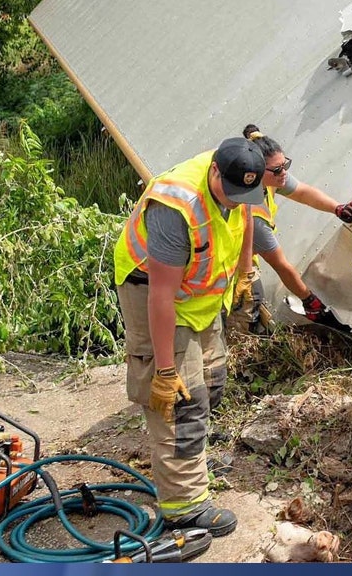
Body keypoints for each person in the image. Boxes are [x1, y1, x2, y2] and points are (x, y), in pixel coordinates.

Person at [113, 136, 268, 538]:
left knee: (212, 381)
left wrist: (246, 271)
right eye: (230, 192)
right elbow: (161, 297)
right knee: (182, 400)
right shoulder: (175, 206)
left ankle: (191, 458)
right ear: (214, 171)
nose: (236, 200)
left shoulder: (241, 175)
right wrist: (165, 370)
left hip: (198, 292)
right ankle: (183, 505)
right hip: (154, 291)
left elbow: (246, 218)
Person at [236, 124, 352, 333]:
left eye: (285, 164)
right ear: (255, 172)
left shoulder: (271, 177)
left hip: (243, 255)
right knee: (251, 300)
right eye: (277, 169)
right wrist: (308, 299)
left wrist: (337, 208)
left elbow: (302, 192)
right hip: (228, 264)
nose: (283, 173)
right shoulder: (253, 214)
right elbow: (281, 265)